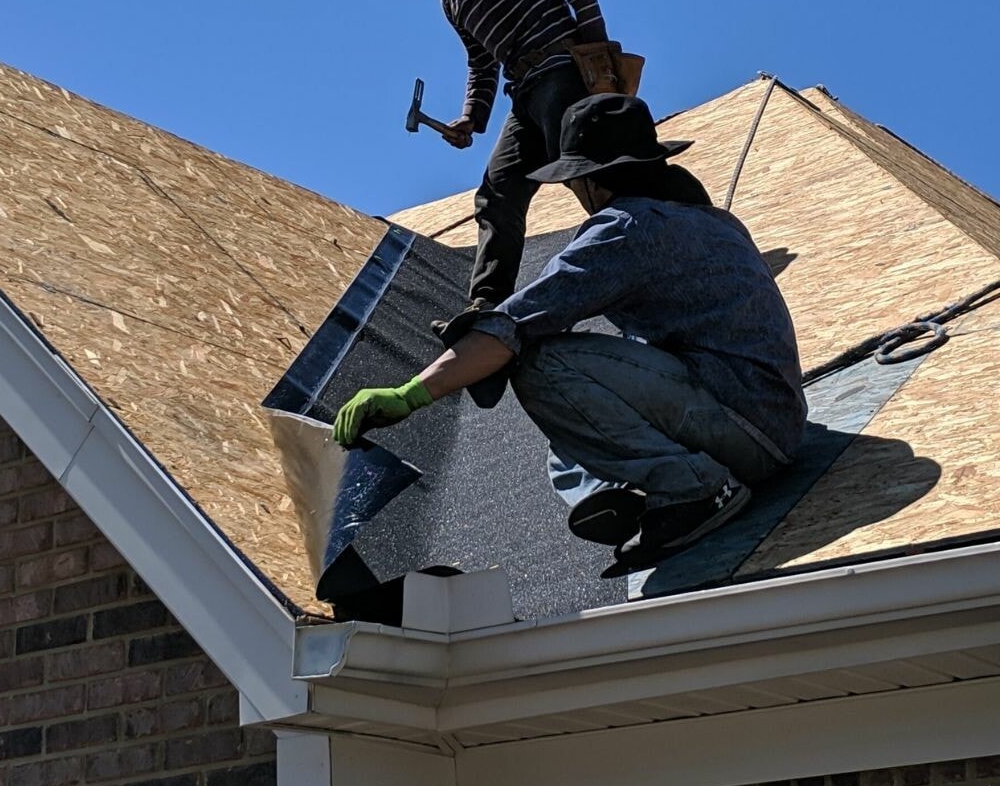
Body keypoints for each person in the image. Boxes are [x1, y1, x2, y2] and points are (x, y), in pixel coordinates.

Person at [333, 93, 808, 575]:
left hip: (741, 430)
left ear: (586, 180)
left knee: (543, 364)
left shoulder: (625, 229)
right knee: (574, 429)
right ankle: (624, 492)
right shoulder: (717, 223)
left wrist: (410, 394)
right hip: (776, 426)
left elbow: (514, 327)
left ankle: (696, 489)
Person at [372, 0, 622, 314]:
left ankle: (629, 252)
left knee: (584, 166)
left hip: (564, 67)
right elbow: (481, 62)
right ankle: (487, 305)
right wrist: (471, 118)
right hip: (523, 91)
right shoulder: (451, 0)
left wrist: (599, 61)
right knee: (496, 195)